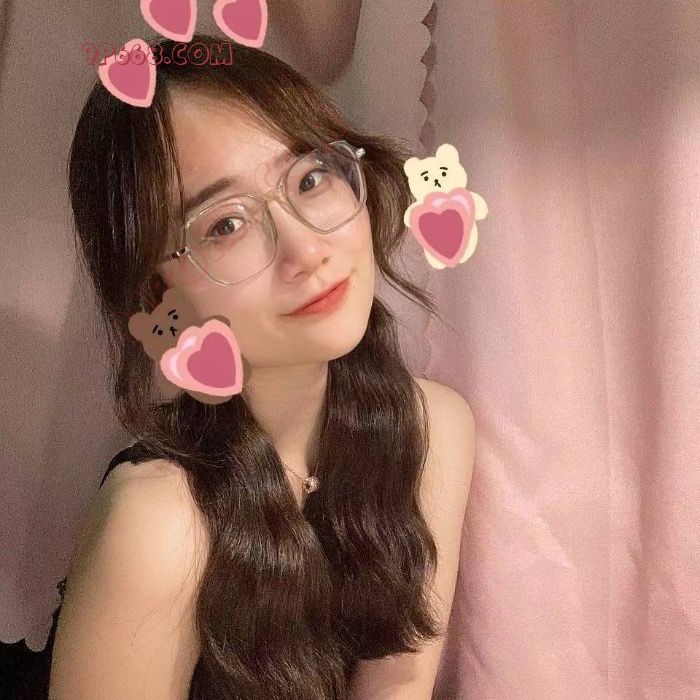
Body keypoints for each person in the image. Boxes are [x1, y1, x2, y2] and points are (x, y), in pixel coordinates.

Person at [43, 33, 473, 699]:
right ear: (158, 295)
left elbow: (398, 685)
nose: (306, 249)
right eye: (225, 225)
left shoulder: (431, 427)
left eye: (311, 179)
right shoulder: (160, 525)